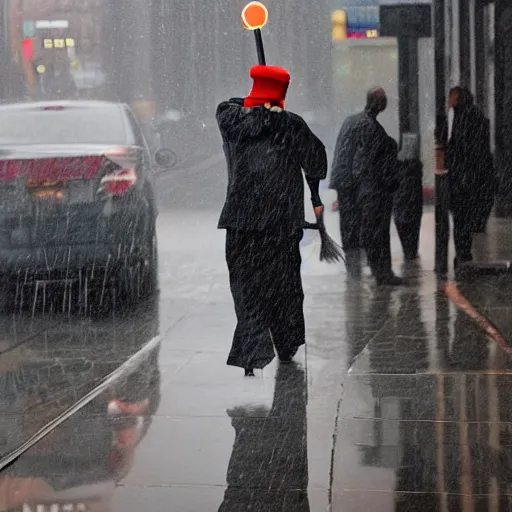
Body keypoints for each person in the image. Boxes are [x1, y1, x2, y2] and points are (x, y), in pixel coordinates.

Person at [216, 65, 327, 376]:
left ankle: (271, 344)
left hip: (253, 224)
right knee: (272, 288)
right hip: (266, 224)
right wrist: (274, 117)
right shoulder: (233, 114)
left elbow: (316, 159)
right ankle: (271, 343)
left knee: (265, 288)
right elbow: (315, 161)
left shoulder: (279, 123)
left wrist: (279, 120)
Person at [330, 87, 402, 285]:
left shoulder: (352, 121)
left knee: (351, 228)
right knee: (372, 229)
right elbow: (363, 163)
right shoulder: (369, 127)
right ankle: (378, 271)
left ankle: (355, 272)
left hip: (344, 182)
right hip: (357, 185)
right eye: (383, 99)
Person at [445, 86, 495, 267]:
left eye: (451, 98)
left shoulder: (463, 118)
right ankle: (464, 256)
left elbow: (461, 149)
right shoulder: (475, 116)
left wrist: (452, 161)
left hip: (464, 179)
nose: (449, 102)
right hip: (473, 178)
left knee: (460, 221)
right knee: (464, 220)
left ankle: (463, 257)